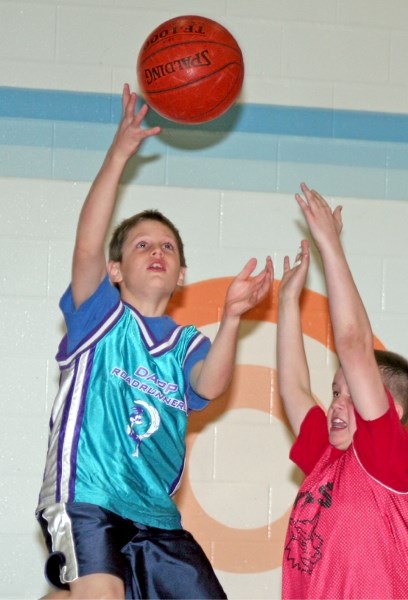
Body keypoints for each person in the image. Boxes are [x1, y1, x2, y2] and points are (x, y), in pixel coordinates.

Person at [36, 83, 274, 600]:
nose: (156, 251)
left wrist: (232, 318)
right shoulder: (100, 317)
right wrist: (119, 153)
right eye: (141, 245)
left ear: (183, 272)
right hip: (89, 498)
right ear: (116, 269)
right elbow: (85, 245)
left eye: (167, 246)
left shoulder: (187, 342)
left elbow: (209, 387)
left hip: (156, 515)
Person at [277, 183, 408, 599]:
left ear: (388, 411)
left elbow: (355, 344)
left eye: (350, 393)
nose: (335, 403)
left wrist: (330, 247)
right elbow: (293, 389)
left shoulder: (385, 459)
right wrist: (288, 302)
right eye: (334, 390)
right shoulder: (327, 460)